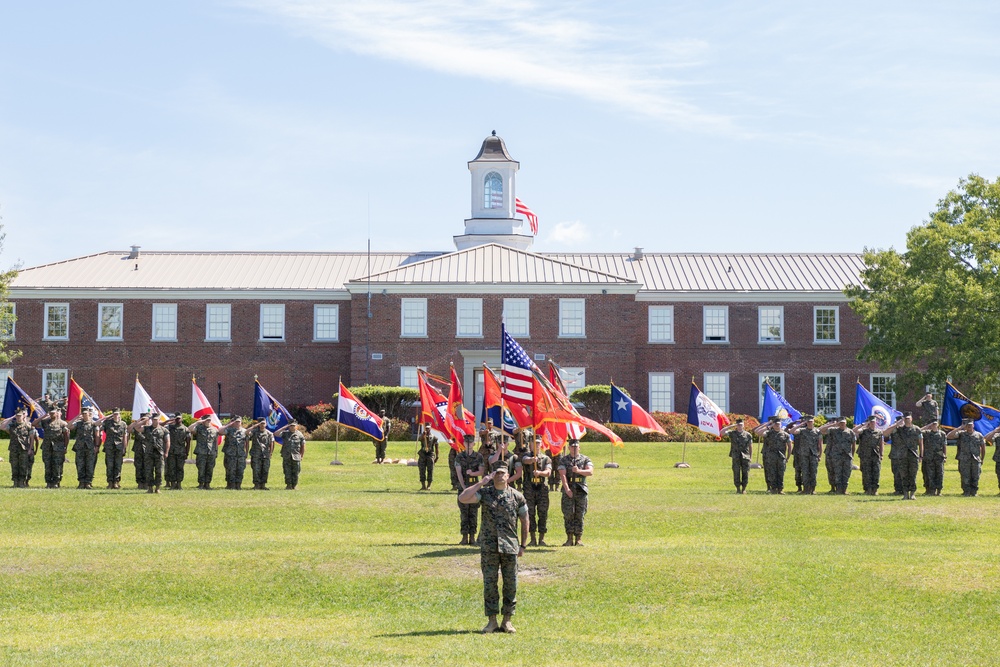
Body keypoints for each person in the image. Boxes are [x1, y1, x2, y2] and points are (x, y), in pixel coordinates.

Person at [458, 464, 528, 634]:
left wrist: (523, 545)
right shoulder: (485, 493)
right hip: (489, 546)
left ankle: (507, 621)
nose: (499, 476)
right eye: (496, 473)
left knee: (510, 584)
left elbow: (525, 520)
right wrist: (482, 482)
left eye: (502, 473)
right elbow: (463, 498)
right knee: (490, 584)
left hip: (510, 546)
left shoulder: (517, 496)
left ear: (508, 475)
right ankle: (492, 621)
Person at [557, 439, 593, 546]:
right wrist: (567, 489)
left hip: (581, 489)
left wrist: (578, 471)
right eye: (572, 446)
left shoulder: (585, 459)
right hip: (569, 488)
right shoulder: (564, 460)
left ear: (579, 447)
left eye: (576, 446)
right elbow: (562, 475)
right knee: (568, 513)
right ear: (569, 448)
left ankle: (578, 538)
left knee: (580, 514)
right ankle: (569, 538)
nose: (574, 448)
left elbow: (590, 471)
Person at [520, 434, 551, 546]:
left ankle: (541, 539)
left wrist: (540, 473)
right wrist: (532, 459)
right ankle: (532, 538)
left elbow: (548, 472)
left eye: (538, 443)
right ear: (530, 444)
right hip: (529, 489)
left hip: (542, 489)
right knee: (530, 513)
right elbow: (525, 460)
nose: (536, 445)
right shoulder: (526, 456)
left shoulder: (546, 458)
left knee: (543, 513)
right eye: (534, 443)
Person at [883, 412, 923, 499]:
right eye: (906, 418)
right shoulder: (899, 429)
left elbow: (920, 443)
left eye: (909, 418)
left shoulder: (916, 429)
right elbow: (885, 433)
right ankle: (905, 494)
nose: (907, 420)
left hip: (913, 455)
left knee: (913, 475)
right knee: (903, 475)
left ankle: (912, 493)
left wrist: (921, 456)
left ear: (911, 419)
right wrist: (896, 424)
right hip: (902, 456)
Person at [455, 434, 485, 545]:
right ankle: (464, 537)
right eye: (466, 442)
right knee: (464, 512)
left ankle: (472, 537)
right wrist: (463, 488)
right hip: (463, 487)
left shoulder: (478, 456)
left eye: (470, 442)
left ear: (473, 443)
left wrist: (473, 473)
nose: (468, 444)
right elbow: (459, 473)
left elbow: (481, 471)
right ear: (464, 443)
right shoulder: (459, 456)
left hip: (474, 487)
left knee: (473, 512)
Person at [33, 408, 69, 489]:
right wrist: (43, 416)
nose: (52, 414)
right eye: (50, 413)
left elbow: (66, 436)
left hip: (58, 447)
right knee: (47, 465)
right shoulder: (45, 422)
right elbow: (34, 424)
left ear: (57, 413)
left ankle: (56, 482)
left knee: (57, 465)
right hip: (47, 447)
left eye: (53, 413)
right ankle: (48, 482)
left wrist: (65, 447)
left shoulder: (62, 423)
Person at [948, 419, 985, 496]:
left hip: (975, 459)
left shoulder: (979, 435)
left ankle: (974, 492)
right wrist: (960, 427)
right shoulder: (961, 434)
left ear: (973, 425)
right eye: (967, 425)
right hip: (964, 458)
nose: (969, 427)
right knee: (965, 476)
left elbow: (983, 447)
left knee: (976, 475)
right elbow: (949, 436)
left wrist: (982, 458)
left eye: (970, 425)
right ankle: (966, 492)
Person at [755, 417, 791, 494]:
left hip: (781, 457)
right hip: (771, 457)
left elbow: (789, 446)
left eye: (778, 424)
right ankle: (773, 489)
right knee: (772, 473)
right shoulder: (769, 433)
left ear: (781, 425)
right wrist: (769, 425)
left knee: (781, 473)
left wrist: (787, 457)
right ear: (773, 425)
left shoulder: (785, 434)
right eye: (776, 424)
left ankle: (780, 489)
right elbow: (758, 432)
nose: (777, 426)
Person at [2, 409, 37, 487]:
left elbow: (31, 438)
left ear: (23, 416)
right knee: (14, 465)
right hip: (13, 448)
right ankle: (15, 482)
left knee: (23, 466)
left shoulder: (28, 426)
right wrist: (12, 417)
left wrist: (30, 449)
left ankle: (22, 482)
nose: (18, 417)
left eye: (19, 416)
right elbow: (2, 426)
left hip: (24, 449)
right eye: (17, 416)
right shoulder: (12, 425)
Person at [820, 417, 855, 494]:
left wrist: (852, 455)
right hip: (836, 456)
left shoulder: (850, 432)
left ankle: (844, 490)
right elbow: (821, 430)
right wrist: (833, 424)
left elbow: (853, 444)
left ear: (845, 423)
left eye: (843, 423)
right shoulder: (833, 430)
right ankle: (838, 490)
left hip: (847, 456)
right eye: (840, 423)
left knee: (846, 473)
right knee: (837, 473)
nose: (842, 424)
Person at [788, 415, 822, 494]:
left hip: (813, 455)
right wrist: (800, 424)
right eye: (808, 421)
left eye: (811, 421)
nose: (810, 423)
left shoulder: (817, 431)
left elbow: (820, 444)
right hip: (804, 455)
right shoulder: (802, 430)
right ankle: (806, 489)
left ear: (813, 422)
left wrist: (819, 455)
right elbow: (791, 431)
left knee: (813, 472)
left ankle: (813, 489)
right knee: (805, 472)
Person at [69, 406, 101, 489]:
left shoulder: (93, 423)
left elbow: (97, 436)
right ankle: (81, 482)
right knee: (80, 464)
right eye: (82, 414)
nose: (84, 415)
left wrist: (97, 446)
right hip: (80, 447)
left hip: (90, 447)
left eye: (85, 413)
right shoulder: (78, 423)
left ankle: (88, 482)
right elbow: (69, 426)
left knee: (90, 465)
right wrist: (76, 417)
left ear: (89, 414)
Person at [852, 415, 884, 496]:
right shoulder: (863, 431)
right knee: (866, 472)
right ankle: (867, 489)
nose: (873, 423)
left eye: (874, 422)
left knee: (876, 472)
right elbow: (854, 430)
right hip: (865, 455)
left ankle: (875, 489)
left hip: (875, 454)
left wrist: (881, 454)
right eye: (871, 422)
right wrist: (864, 424)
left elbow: (881, 444)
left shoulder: (879, 432)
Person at [720, 418, 752, 494]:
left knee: (745, 473)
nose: (740, 426)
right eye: (738, 425)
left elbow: (750, 446)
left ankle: (744, 488)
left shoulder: (748, 435)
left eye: (741, 425)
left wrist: (750, 457)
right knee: (736, 472)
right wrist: (731, 426)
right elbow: (722, 432)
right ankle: (738, 488)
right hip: (736, 456)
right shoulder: (732, 433)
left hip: (745, 456)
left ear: (743, 425)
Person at [189, 415, 220, 489]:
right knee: (201, 469)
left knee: (210, 469)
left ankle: (207, 484)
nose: (208, 421)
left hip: (211, 453)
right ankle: (201, 484)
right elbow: (189, 429)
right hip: (201, 452)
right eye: (206, 420)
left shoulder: (214, 429)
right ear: (203, 421)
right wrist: (197, 423)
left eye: (209, 420)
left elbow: (215, 442)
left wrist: (216, 452)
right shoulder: (199, 428)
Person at [142, 413, 170, 494]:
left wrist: (166, 452)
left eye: (156, 419)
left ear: (159, 420)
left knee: (159, 471)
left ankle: (157, 488)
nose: (155, 421)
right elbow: (137, 428)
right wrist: (145, 420)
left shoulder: (164, 430)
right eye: (153, 419)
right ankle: (150, 488)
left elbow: (167, 441)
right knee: (149, 470)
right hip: (149, 453)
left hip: (159, 453)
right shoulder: (147, 429)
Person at [274, 421, 306, 490]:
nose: (292, 427)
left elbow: (303, 445)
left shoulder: (299, 434)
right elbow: (276, 434)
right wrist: (285, 427)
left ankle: (294, 485)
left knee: (296, 471)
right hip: (286, 455)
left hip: (296, 455)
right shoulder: (285, 433)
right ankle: (288, 485)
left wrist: (302, 455)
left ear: (296, 426)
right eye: (291, 426)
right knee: (287, 471)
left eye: (293, 426)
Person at [101, 409, 128, 489]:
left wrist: (124, 448)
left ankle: (116, 482)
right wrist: (106, 417)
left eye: (117, 414)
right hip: (109, 447)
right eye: (114, 414)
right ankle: (110, 482)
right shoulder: (107, 423)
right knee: (109, 465)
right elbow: (98, 425)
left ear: (119, 415)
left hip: (119, 447)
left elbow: (125, 437)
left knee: (118, 465)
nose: (116, 416)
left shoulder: (123, 424)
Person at [221, 416, 249, 490]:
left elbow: (247, 442)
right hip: (230, 454)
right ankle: (231, 485)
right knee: (230, 470)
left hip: (240, 454)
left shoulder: (244, 431)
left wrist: (246, 452)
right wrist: (228, 424)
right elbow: (220, 431)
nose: (237, 423)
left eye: (238, 422)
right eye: (235, 422)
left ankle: (238, 485)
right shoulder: (229, 430)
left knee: (240, 470)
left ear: (241, 422)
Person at [920, 420, 947, 496]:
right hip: (929, 457)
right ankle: (931, 490)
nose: (934, 426)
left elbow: (944, 445)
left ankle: (939, 490)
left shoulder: (942, 434)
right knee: (929, 474)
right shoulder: (926, 433)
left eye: (935, 424)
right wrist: (927, 426)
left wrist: (945, 456)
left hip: (939, 456)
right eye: (933, 424)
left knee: (940, 474)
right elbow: (918, 431)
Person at [165, 413, 191, 490]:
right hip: (171, 451)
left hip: (181, 452)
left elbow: (188, 442)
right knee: (171, 468)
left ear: (182, 419)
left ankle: (179, 484)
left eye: (179, 418)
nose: (178, 420)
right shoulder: (169, 428)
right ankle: (173, 484)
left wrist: (187, 452)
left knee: (180, 468)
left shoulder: (186, 429)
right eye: (176, 418)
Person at [248, 419, 275, 490]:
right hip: (256, 454)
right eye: (261, 423)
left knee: (265, 470)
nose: (262, 425)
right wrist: (254, 426)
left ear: (266, 424)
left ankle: (263, 485)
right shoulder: (254, 432)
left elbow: (271, 444)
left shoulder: (269, 433)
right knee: (256, 470)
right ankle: (256, 485)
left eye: (264, 423)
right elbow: (246, 432)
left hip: (265, 455)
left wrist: (270, 453)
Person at [416, 424, 439, 491]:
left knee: (430, 470)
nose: (427, 430)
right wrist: (423, 435)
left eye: (428, 428)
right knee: (422, 470)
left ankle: (429, 485)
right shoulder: (422, 436)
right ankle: (423, 485)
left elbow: (436, 447)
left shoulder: (434, 437)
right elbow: (419, 439)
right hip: (423, 454)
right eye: (426, 428)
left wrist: (437, 456)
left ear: (430, 429)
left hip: (430, 454)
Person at [129, 412, 149, 490]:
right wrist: (137, 422)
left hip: (148, 450)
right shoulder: (137, 428)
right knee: (138, 466)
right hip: (138, 449)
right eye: (142, 419)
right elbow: (129, 430)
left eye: (145, 419)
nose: (144, 421)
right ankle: (140, 483)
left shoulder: (150, 427)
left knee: (148, 466)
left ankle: (147, 482)